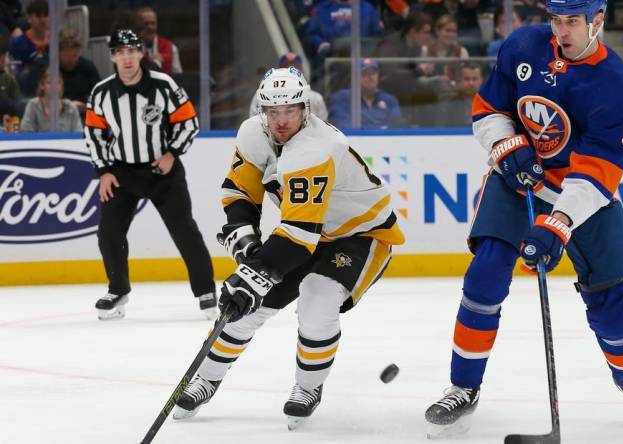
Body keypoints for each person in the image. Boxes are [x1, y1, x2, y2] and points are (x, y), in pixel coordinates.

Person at [424, 0, 623, 437]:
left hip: (580, 194)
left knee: (608, 295)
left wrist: (557, 223)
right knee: (485, 273)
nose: (562, 31)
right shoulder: (524, 46)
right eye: (556, 20)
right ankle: (463, 387)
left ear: (597, 21)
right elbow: (488, 109)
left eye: (573, 22)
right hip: (516, 181)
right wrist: (506, 145)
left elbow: (597, 173)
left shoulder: (616, 88)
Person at [170, 66, 405, 430]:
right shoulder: (252, 134)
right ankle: (206, 377)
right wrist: (244, 236)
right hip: (306, 233)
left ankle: (308, 387)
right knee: (246, 309)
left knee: (317, 297)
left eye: (290, 111)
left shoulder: (316, 148)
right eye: (272, 112)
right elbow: (239, 191)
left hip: (362, 235)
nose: (281, 121)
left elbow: (298, 236)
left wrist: (251, 275)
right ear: (261, 111)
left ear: (305, 110)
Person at [83, 29, 216, 321]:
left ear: (141, 53)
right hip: (122, 173)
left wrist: (171, 154)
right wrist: (104, 171)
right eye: (120, 52)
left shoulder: (163, 85)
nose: (127, 58)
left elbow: (188, 122)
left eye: (132, 51)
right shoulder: (102, 93)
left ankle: (206, 290)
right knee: (109, 232)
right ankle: (118, 288)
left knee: (184, 229)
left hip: (162, 172)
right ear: (113, 57)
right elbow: (94, 135)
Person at [249, 52, 328, 121]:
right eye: (286, 66)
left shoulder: (316, 97)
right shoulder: (262, 95)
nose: (291, 70)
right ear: (280, 70)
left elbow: (323, 125)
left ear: (301, 69)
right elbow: (254, 124)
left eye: (295, 66)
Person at [328, 58, 402, 129]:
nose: (370, 77)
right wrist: (380, 128)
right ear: (355, 77)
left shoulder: (390, 100)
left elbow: (396, 126)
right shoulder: (342, 98)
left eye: (373, 73)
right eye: (365, 73)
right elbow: (343, 126)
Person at [19, 67, 81, 132]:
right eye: (50, 82)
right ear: (42, 85)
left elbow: (79, 135)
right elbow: (26, 132)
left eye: (58, 82)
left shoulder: (71, 108)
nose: (54, 86)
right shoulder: (33, 105)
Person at [57, 28, 101, 114]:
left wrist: (86, 107)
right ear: (58, 53)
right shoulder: (50, 69)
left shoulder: (87, 67)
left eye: (74, 55)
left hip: (83, 114)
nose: (71, 60)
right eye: (66, 55)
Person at [434, 61, 482, 127]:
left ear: (481, 81)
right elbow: (442, 131)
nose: (471, 83)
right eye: (467, 79)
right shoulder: (448, 105)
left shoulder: (490, 104)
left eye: (475, 79)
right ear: (459, 81)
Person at [137, 6, 183, 75]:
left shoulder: (170, 48)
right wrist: (156, 62)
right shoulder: (132, 49)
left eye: (153, 23)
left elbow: (179, 77)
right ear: (138, 25)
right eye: (146, 24)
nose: (150, 27)